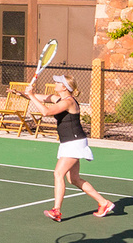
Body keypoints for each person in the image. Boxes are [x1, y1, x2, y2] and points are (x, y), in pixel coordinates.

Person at [28, 75, 116, 221]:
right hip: (69, 143)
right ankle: (104, 203)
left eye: (58, 82)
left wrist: (31, 95)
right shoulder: (60, 99)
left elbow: (46, 112)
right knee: (74, 179)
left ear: (64, 87)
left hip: (74, 143)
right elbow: (43, 98)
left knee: (58, 174)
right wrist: (24, 94)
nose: (54, 83)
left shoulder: (68, 102)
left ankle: (56, 210)